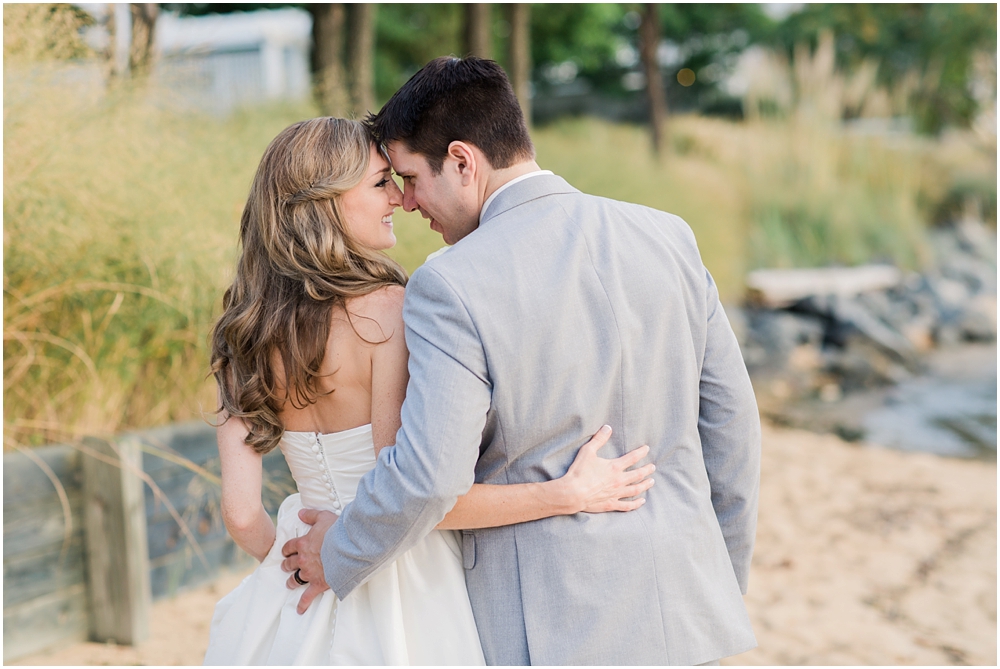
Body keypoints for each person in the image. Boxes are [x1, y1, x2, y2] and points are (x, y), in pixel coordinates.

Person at [282, 57, 762, 666]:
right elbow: (733, 430)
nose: (405, 203)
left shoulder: (450, 283)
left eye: (409, 177)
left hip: (551, 627)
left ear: (462, 161)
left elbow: (429, 475)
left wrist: (339, 551)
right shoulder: (668, 235)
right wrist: (719, 580)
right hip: (688, 611)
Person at [203, 117, 654, 665]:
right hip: (404, 579)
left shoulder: (243, 330)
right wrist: (566, 494)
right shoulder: (389, 311)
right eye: (378, 183)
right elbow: (423, 494)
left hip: (299, 579)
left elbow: (241, 514)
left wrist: (297, 562)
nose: (398, 196)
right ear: (324, 204)